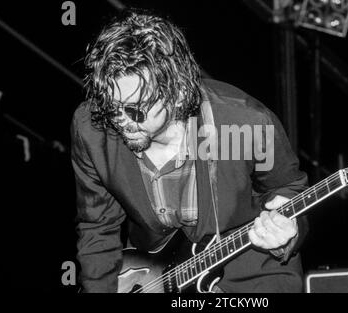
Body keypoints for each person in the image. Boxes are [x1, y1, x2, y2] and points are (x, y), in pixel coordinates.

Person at [71, 8, 309, 293]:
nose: (121, 122)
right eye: (111, 108)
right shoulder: (91, 129)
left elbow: (290, 189)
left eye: (135, 110)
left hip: (249, 276)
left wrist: (287, 232)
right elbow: (98, 226)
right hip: (155, 278)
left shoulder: (247, 123)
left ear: (178, 93)